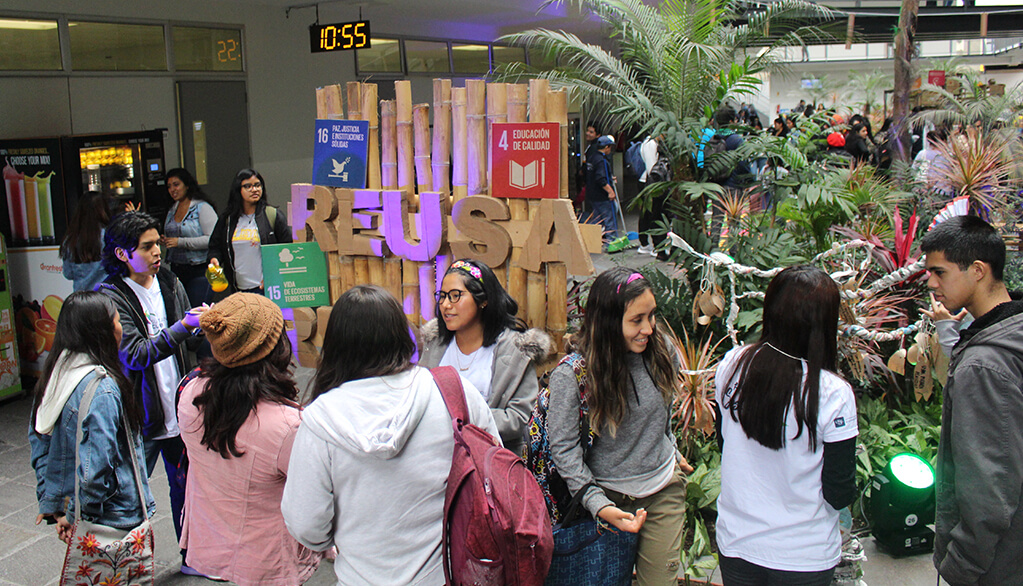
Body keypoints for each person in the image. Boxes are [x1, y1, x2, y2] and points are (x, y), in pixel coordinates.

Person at [281, 285, 499, 585]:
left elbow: (307, 525)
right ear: (401, 334)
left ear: (336, 345)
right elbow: (496, 474)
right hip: (453, 574)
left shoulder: (320, 420)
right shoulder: (452, 390)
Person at [714, 265, 858, 586]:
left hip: (738, 543)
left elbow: (724, 443)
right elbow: (838, 491)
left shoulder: (732, 365)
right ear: (824, 325)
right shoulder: (832, 393)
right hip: (803, 554)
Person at [548, 267, 691, 586]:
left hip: (662, 488)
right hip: (606, 497)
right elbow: (564, 449)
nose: (649, 329)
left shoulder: (662, 352)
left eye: (652, 316)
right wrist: (598, 504)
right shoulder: (572, 377)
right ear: (610, 322)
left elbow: (663, 411)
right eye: (636, 320)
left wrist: (670, 446)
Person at [177, 292, 322, 585]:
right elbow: (314, 494)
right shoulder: (286, 426)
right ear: (275, 348)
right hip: (267, 558)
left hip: (213, 539)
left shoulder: (191, 393)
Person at [96, 211, 206, 574]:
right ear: (122, 254)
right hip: (138, 415)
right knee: (129, 496)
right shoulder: (110, 296)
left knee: (186, 487)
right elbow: (135, 353)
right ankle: (124, 569)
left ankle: (191, 558)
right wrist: (182, 327)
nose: (158, 251)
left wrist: (206, 324)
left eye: (158, 242)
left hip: (177, 405)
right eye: (147, 246)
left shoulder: (171, 282)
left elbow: (189, 338)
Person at [920, 215, 1023, 585]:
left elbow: (989, 485)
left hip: (994, 566)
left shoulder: (985, 365)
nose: (931, 284)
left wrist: (960, 566)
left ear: (977, 270)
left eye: (940, 272)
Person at [29, 291, 156, 546]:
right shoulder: (103, 388)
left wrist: (56, 506)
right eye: (118, 322)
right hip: (114, 517)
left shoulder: (57, 373)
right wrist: (78, 516)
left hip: (84, 511)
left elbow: (39, 442)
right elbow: (94, 469)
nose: (122, 329)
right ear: (102, 332)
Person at [419, 259, 552, 455]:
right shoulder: (435, 344)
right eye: (443, 296)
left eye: (456, 296)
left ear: (483, 300)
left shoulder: (515, 350)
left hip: (491, 462)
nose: (446, 305)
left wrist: (461, 420)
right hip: (434, 458)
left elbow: (519, 417)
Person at [208, 168, 292, 295]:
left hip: (267, 288)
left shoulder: (272, 215)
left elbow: (287, 248)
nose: (254, 189)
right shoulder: (228, 219)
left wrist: (275, 277)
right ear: (238, 190)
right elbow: (215, 247)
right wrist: (215, 259)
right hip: (238, 289)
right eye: (248, 186)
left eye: (258, 185)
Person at [162, 168, 217, 307]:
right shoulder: (172, 209)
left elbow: (212, 239)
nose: (172, 189)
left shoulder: (202, 208)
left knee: (196, 311)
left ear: (186, 185)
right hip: (177, 269)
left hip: (199, 269)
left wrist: (180, 242)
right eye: (169, 186)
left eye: (176, 184)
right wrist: (164, 240)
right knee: (181, 312)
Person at [60, 191, 110, 292]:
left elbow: (68, 274)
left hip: (81, 298)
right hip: (105, 296)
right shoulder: (108, 236)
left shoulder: (70, 239)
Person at [636, 135, 666, 257]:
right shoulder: (650, 143)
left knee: (649, 215)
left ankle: (649, 244)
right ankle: (650, 245)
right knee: (651, 215)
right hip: (650, 183)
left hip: (651, 182)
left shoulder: (652, 142)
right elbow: (651, 168)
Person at [585, 134, 618, 244]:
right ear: (607, 147)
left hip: (592, 194)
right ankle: (612, 242)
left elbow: (594, 174)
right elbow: (600, 178)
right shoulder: (602, 160)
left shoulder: (592, 157)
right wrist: (610, 191)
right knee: (608, 218)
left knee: (597, 219)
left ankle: (592, 241)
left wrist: (609, 177)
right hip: (601, 195)